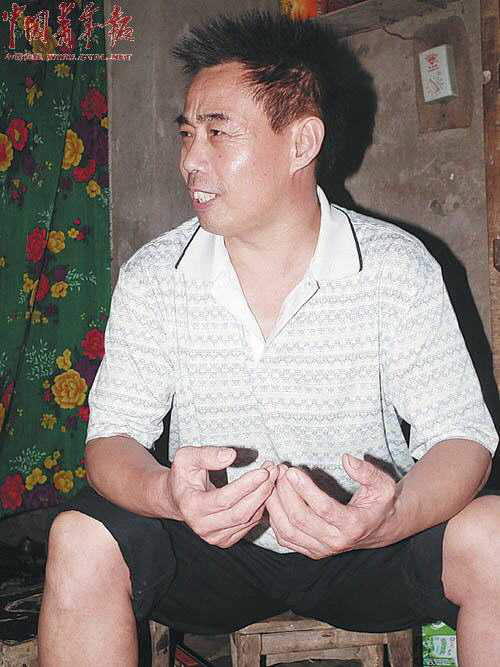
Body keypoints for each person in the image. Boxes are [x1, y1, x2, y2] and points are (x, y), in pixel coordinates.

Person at [39, 11, 499, 667]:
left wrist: (389, 517)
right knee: (80, 537)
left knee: (495, 537)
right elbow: (111, 439)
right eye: (187, 134)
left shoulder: (397, 267)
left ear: (301, 142)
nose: (191, 160)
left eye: (218, 133)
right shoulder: (155, 275)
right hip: (216, 548)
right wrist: (168, 493)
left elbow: (462, 439)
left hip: (368, 544)